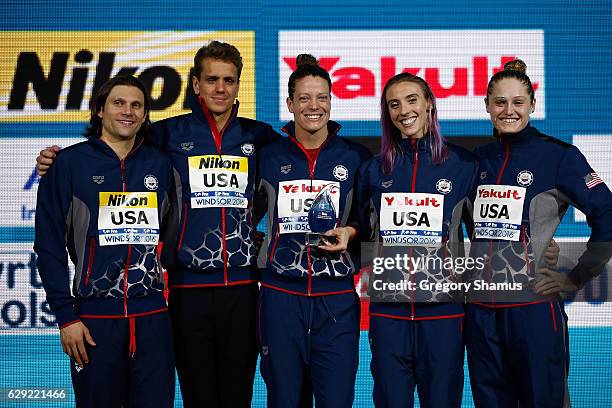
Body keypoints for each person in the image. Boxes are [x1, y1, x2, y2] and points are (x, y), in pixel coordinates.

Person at [36, 41, 280, 408]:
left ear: (237, 85)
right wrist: (53, 160)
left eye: (228, 80)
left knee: (235, 397)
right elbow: (109, 150)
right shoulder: (165, 138)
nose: (219, 88)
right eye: (211, 79)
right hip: (181, 293)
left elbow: (299, 157)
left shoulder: (258, 137)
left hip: (237, 290)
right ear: (195, 84)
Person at [463, 59, 612, 407]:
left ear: (533, 103)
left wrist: (575, 278)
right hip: (481, 313)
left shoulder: (559, 156)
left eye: (518, 102)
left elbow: (607, 214)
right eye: (500, 102)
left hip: (533, 310)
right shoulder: (475, 161)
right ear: (486, 104)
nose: (508, 110)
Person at [34, 75, 176, 407]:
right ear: (100, 109)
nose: (128, 111)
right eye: (118, 103)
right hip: (94, 323)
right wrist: (67, 317)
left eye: (136, 105)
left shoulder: (161, 164)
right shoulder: (68, 165)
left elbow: (176, 232)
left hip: (152, 318)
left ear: (144, 115)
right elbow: (49, 249)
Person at [255, 54, 371, 407]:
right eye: (304, 98)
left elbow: (371, 223)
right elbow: (239, 214)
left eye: (322, 97)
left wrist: (350, 233)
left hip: (336, 300)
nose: (314, 106)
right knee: (285, 400)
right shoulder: (267, 156)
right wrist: (259, 248)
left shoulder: (356, 158)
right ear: (290, 103)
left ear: (331, 101)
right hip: (279, 299)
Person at [356, 72, 478, 407]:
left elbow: (484, 235)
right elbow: (359, 232)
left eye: (411, 100)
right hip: (388, 314)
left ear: (428, 105)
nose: (403, 110)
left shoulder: (463, 166)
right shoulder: (373, 170)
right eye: (393, 104)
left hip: (444, 314)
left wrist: (540, 244)